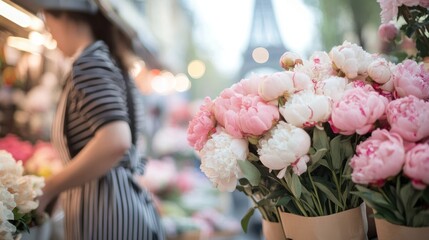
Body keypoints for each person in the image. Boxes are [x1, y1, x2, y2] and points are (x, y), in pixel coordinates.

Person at [34, 0, 165, 239]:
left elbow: (116, 140)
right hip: (120, 209)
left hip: (107, 217)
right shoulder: (107, 60)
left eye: (46, 17)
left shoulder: (89, 63)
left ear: (62, 14)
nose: (48, 29)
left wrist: (49, 188)